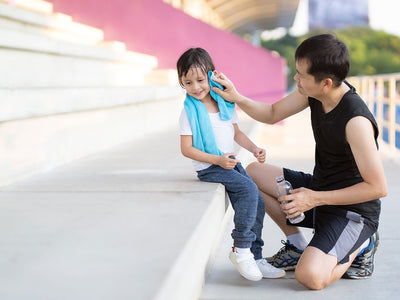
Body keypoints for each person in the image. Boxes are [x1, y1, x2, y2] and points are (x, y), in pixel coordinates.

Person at [211, 34, 387, 290]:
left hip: (352, 212)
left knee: (311, 277)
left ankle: (363, 244)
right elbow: (272, 114)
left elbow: (378, 188)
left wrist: (314, 199)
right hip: (319, 191)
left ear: (326, 83)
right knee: (252, 174)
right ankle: (297, 244)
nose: (296, 78)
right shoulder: (314, 94)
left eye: (301, 74)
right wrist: (237, 97)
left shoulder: (356, 122)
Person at [177, 47, 285, 281]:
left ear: (211, 75)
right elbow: (187, 149)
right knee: (248, 189)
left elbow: (236, 133)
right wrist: (217, 160)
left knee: (257, 199)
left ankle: (255, 256)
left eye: (200, 80)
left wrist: (254, 148)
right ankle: (241, 248)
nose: (195, 87)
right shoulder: (189, 112)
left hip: (228, 162)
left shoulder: (224, 103)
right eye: (188, 82)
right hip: (210, 166)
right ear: (181, 83)